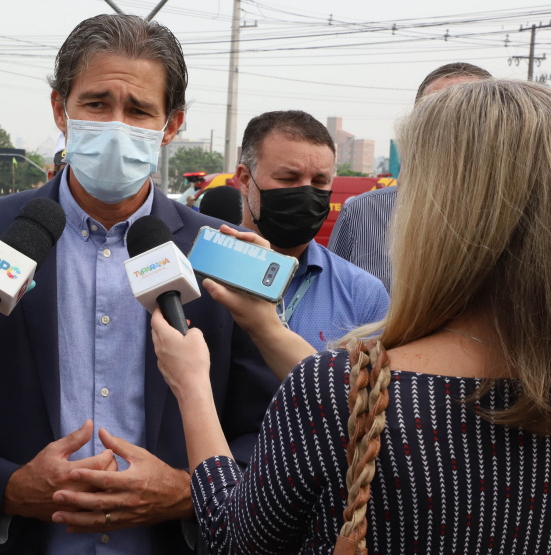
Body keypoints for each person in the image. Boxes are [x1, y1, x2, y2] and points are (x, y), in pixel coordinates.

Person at [0, 14, 279, 554]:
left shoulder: (218, 254)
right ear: (59, 109)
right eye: (96, 104)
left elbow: (273, 431)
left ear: (172, 124)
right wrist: (10, 486)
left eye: (139, 109)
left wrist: (191, 492)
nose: (117, 124)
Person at [151, 78, 551, 553]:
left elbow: (231, 538)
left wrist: (192, 383)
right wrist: (264, 323)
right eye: (288, 178)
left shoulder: (340, 382)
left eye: (321, 182)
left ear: (437, 213)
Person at [328, 62, 493, 292]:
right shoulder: (362, 215)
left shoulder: (527, 221)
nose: (449, 129)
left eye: (470, 114)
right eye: (433, 113)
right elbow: (331, 300)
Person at [236, 110, 389, 351]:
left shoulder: (363, 295)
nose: (306, 193)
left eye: (319, 181)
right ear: (245, 180)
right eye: (288, 178)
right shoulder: (201, 270)